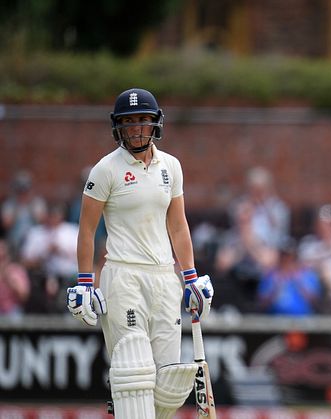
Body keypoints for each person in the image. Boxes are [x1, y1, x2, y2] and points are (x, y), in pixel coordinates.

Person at [67, 88, 214, 419]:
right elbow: (87, 230)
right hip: (124, 275)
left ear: (155, 124)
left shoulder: (171, 167)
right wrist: (84, 283)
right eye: (129, 122)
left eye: (143, 121)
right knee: (134, 374)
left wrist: (190, 277)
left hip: (165, 278)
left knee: (170, 381)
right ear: (118, 127)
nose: (136, 128)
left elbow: (178, 226)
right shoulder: (105, 170)